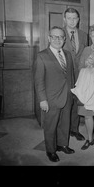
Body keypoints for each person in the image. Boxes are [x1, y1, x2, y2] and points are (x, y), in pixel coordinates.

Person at [34, 26, 75, 162]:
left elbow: (70, 76)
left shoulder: (68, 54)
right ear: (49, 38)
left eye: (61, 37)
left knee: (65, 122)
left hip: (67, 95)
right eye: (54, 36)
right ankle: (50, 150)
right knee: (50, 126)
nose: (58, 39)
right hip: (50, 98)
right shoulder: (42, 56)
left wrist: (73, 92)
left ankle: (62, 144)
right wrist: (42, 100)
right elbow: (38, 81)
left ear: (64, 39)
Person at [62, 7, 88, 141]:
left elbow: (87, 54)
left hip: (79, 75)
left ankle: (74, 129)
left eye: (74, 18)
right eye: (69, 18)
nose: (72, 21)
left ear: (78, 20)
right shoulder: (59, 34)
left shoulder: (84, 35)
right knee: (65, 103)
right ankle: (63, 131)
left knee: (76, 102)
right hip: (63, 75)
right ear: (64, 19)